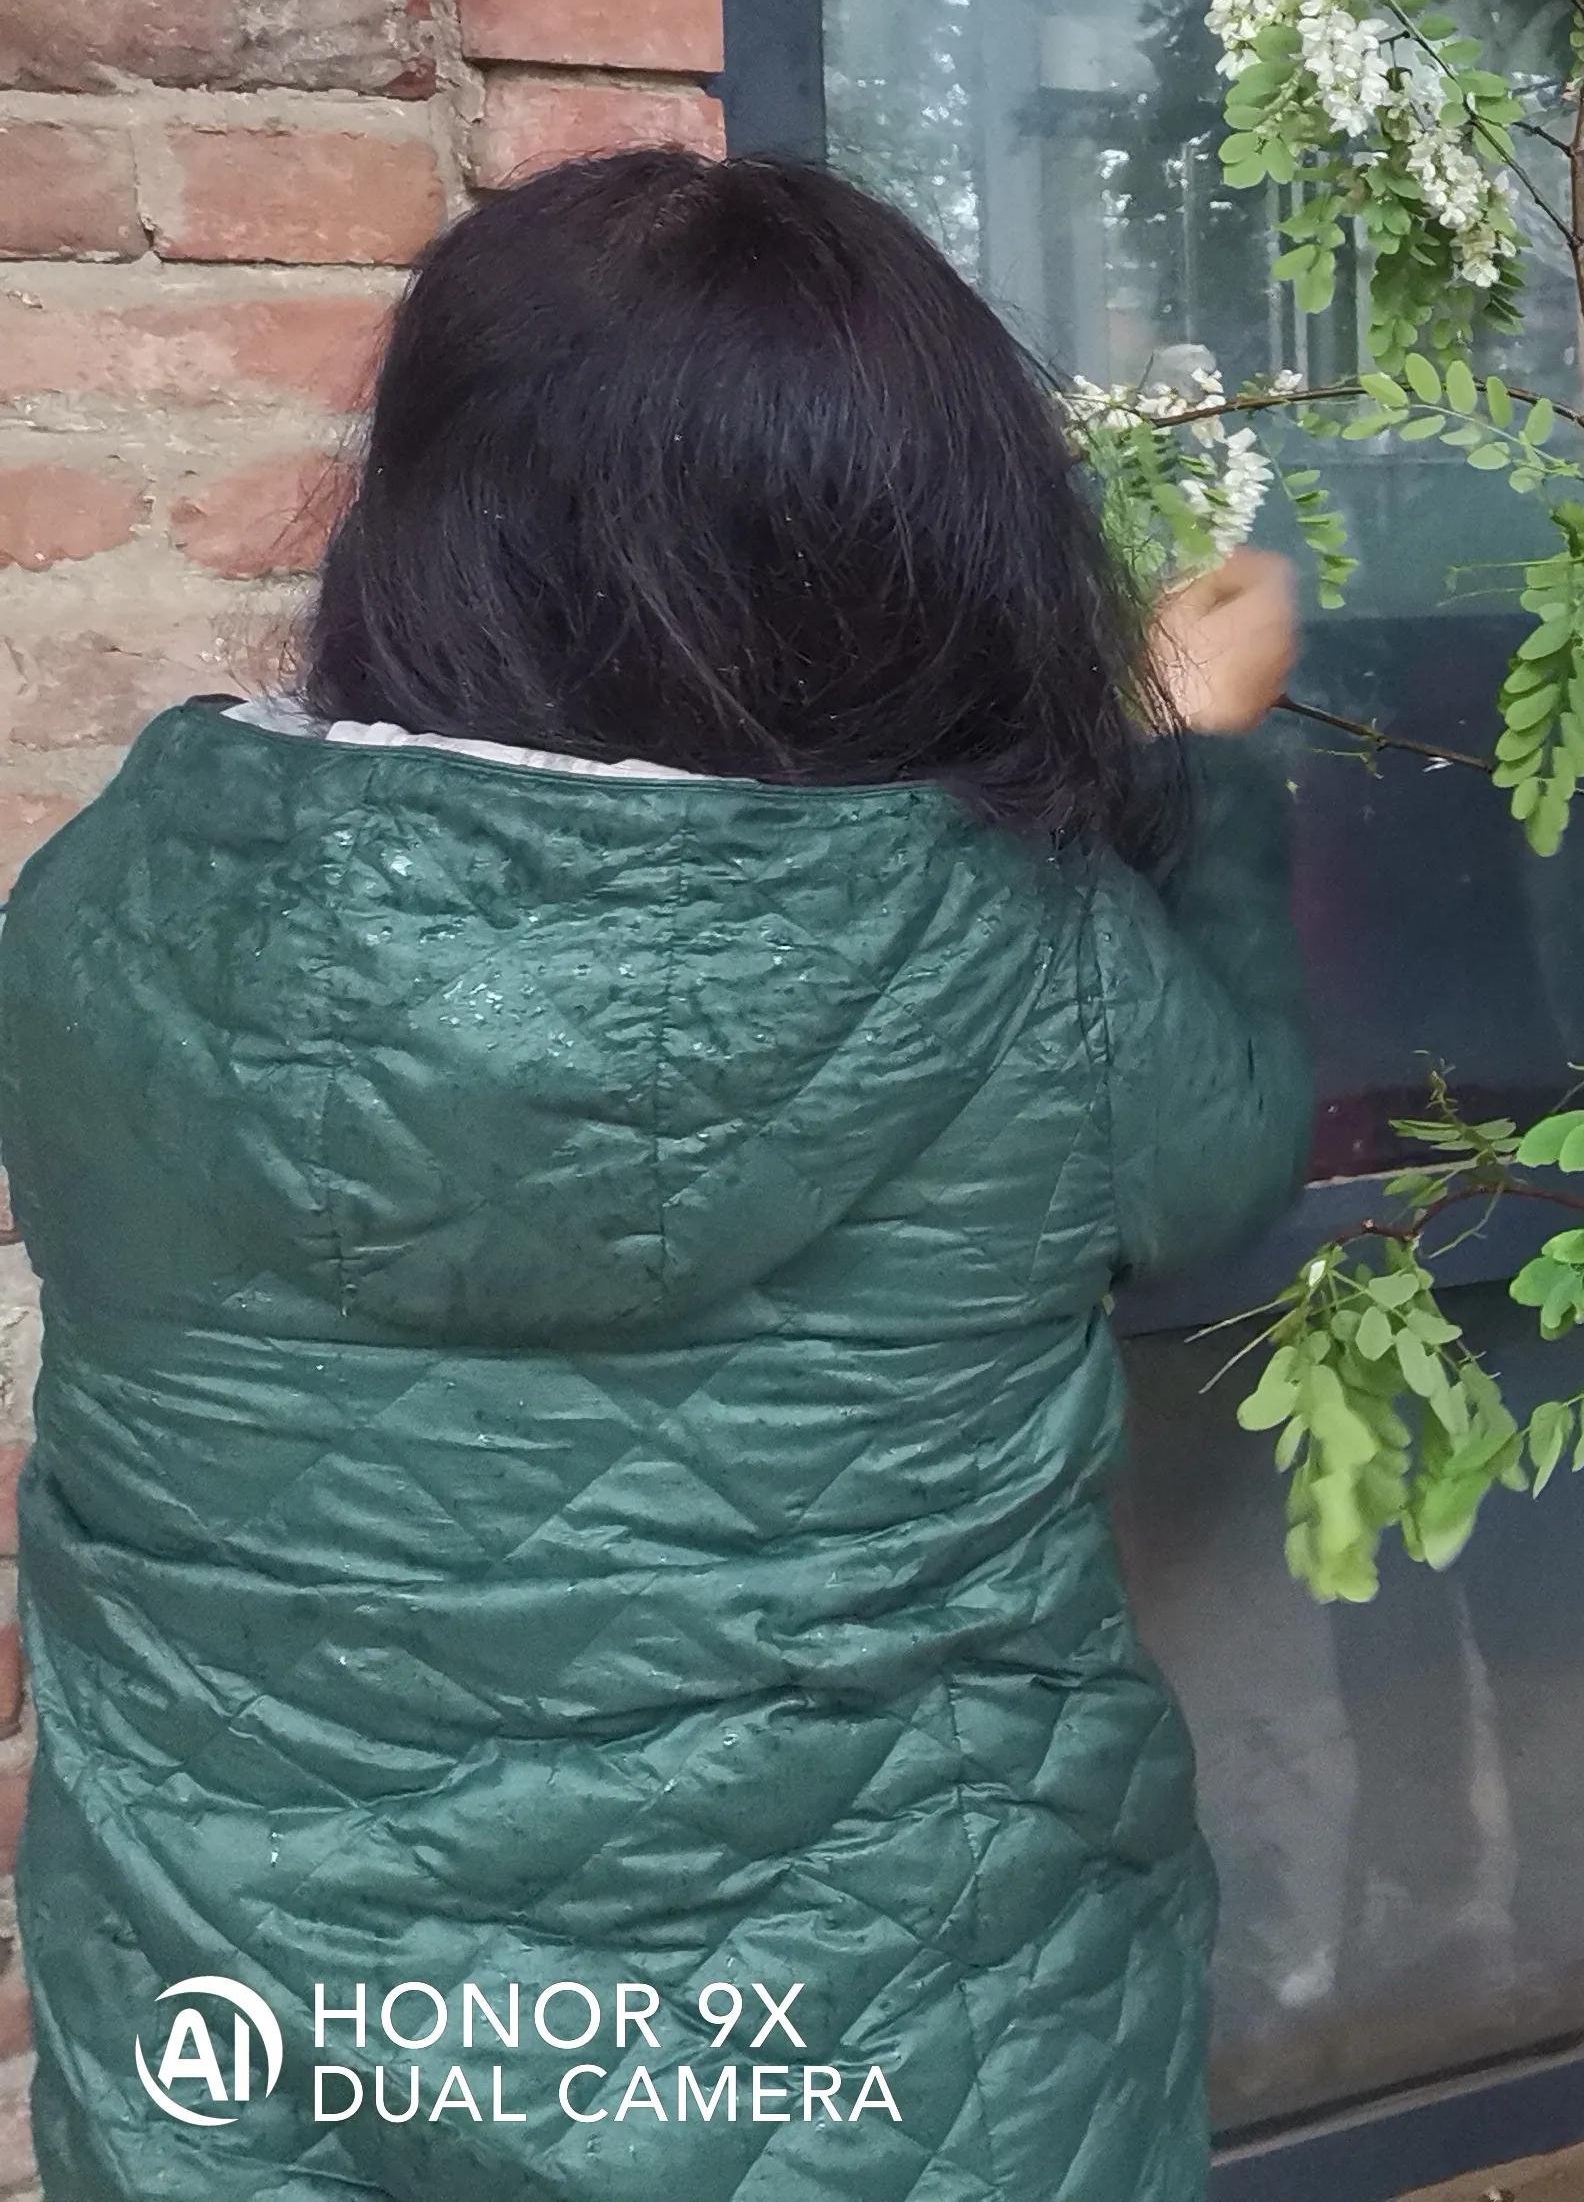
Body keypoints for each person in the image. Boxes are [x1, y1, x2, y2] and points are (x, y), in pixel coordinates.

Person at [0, 152, 1317, 2199]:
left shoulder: (100, 929)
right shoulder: (1025, 964)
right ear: (915, 556)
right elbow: (1220, 1146)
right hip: (905, 2085)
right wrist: (1187, 767)